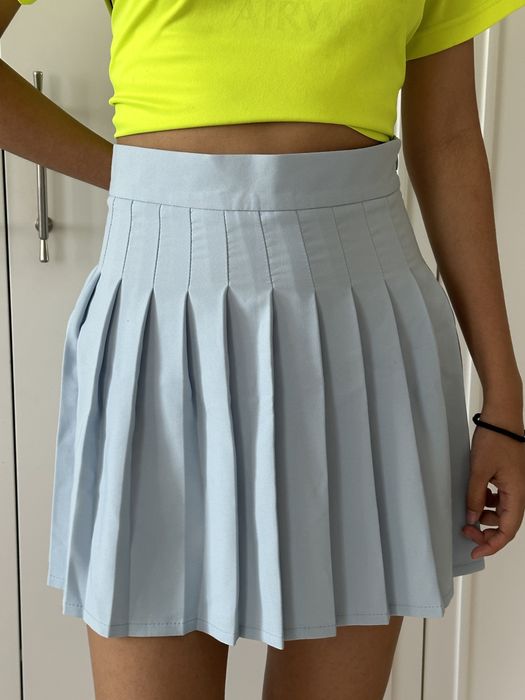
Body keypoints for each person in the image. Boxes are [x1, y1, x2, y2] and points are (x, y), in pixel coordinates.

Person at [2, 0, 525, 698]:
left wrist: (504, 398)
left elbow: (449, 137)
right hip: (161, 326)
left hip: (360, 334)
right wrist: (131, 178)